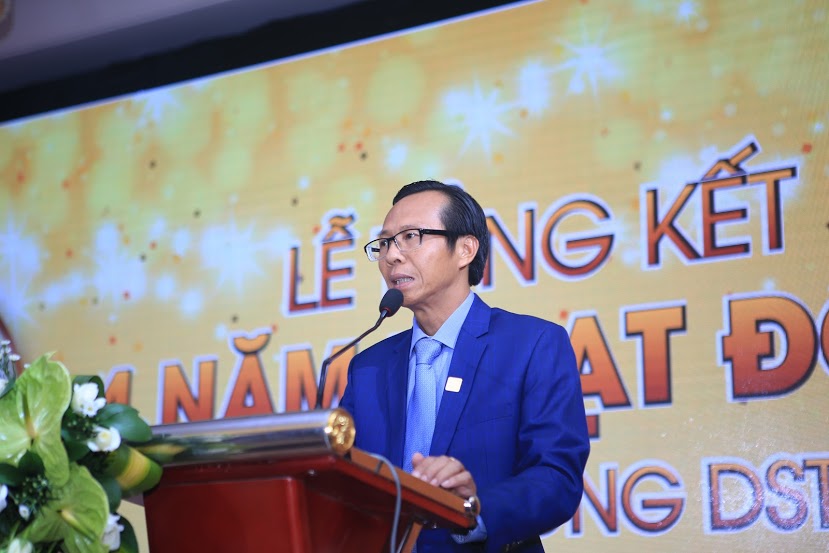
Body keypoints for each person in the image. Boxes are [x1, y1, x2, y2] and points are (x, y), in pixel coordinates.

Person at [339, 180, 589, 553]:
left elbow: (556, 477)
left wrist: (472, 509)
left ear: (465, 250)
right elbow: (344, 482)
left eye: (410, 237)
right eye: (385, 243)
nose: (392, 255)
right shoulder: (367, 368)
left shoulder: (532, 344)